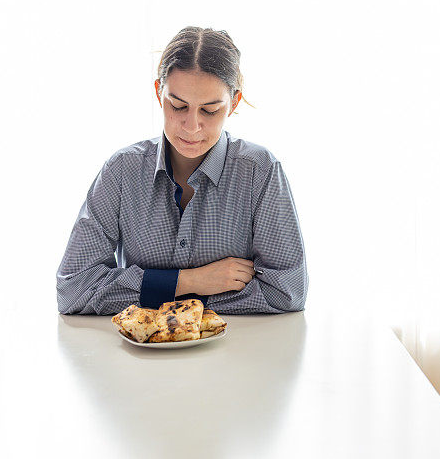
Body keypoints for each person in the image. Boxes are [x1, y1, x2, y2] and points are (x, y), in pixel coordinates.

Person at [56, 27, 308, 315]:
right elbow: (73, 289)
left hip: (234, 355)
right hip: (139, 357)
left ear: (234, 103)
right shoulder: (122, 170)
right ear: (158, 92)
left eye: (210, 110)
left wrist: (154, 292)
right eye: (178, 106)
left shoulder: (260, 172)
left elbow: (286, 292)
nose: (191, 127)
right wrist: (193, 282)